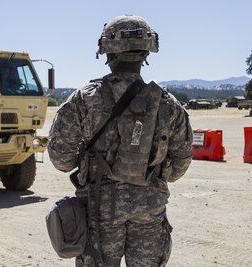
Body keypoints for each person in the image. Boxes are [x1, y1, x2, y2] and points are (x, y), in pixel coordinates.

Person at [48, 14, 193, 266]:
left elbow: (60, 159)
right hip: (150, 207)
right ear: (147, 52)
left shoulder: (85, 99)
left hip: (99, 209)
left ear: (107, 52)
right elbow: (180, 163)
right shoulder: (168, 104)